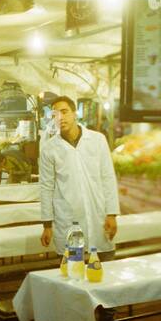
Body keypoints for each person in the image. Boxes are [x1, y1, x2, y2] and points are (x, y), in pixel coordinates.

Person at [38, 96, 120, 260]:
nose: (60, 118)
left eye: (64, 112)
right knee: (73, 271)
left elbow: (107, 177)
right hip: (68, 220)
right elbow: (46, 187)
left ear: (75, 113)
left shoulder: (97, 140)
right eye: (55, 115)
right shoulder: (49, 149)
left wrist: (112, 213)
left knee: (104, 269)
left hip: (99, 217)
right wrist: (47, 225)